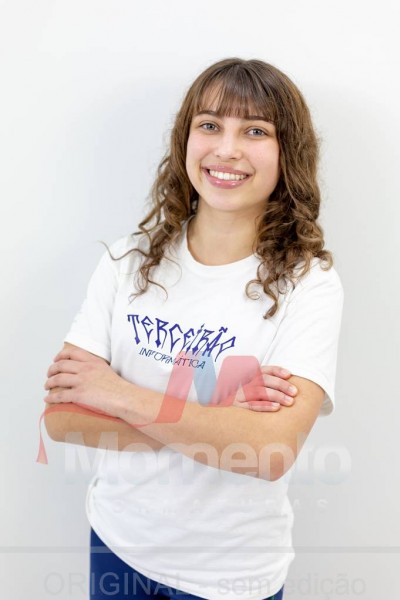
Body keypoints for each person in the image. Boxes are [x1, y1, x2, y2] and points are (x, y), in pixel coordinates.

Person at [43, 57, 344, 600]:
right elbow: (63, 419)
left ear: (288, 153)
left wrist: (115, 394)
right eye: (209, 125)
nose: (227, 149)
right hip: (116, 542)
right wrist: (221, 424)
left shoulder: (308, 284)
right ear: (186, 139)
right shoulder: (129, 261)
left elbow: (269, 454)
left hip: (229, 575)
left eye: (255, 131)